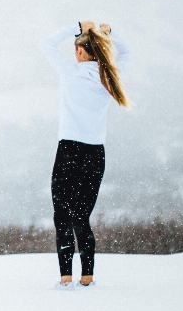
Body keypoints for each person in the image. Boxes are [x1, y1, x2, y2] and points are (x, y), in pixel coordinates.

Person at [40, 20, 130, 290]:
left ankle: (66, 276)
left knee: (62, 216)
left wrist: (76, 26)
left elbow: (45, 43)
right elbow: (127, 52)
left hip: (69, 150)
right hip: (95, 153)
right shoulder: (108, 76)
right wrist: (108, 33)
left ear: (80, 52)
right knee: (81, 217)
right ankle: (87, 275)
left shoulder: (70, 73)